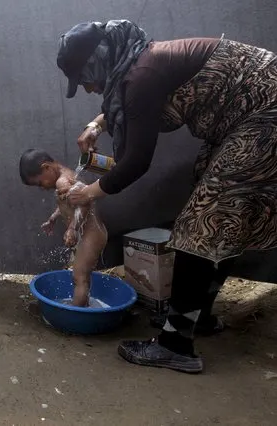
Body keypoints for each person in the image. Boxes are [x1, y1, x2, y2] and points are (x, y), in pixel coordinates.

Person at [57, 19, 277, 373]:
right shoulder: (139, 65)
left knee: (204, 220)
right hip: (253, 117)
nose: (86, 89)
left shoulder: (142, 75)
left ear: (99, 61)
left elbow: (137, 162)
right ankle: (195, 317)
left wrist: (89, 193)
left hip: (266, 115)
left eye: (84, 78)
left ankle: (176, 344)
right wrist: (96, 124)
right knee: (222, 216)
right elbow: (133, 105)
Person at [19, 148, 108, 307]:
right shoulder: (64, 176)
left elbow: (84, 204)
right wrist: (53, 218)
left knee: (79, 276)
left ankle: (76, 313)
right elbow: (68, 205)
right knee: (81, 275)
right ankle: (83, 305)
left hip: (92, 235)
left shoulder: (62, 182)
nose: (43, 188)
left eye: (40, 183)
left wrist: (73, 228)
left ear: (46, 167)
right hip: (90, 234)